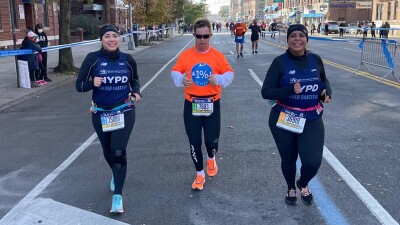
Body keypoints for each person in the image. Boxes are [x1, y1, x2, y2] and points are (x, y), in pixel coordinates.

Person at [261, 24, 332, 206]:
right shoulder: (280, 62)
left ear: (307, 39)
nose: (297, 39)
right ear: (288, 40)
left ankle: (303, 182)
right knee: (289, 158)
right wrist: (289, 89)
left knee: (312, 162)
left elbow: (323, 81)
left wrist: (326, 93)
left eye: (302, 35)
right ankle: (291, 187)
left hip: (311, 118)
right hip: (285, 117)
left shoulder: (316, 60)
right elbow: (266, 92)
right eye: (293, 35)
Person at [75, 24, 141, 213]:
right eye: (107, 36)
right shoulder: (92, 59)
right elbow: (79, 86)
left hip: (124, 111)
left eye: (114, 36)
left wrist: (136, 92)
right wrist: (91, 83)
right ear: (101, 40)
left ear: (118, 38)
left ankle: (118, 197)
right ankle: (115, 172)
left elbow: (134, 80)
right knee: (108, 151)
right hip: (101, 114)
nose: (111, 39)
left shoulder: (127, 59)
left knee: (119, 152)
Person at [170, 18, 234, 191]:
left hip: (212, 104)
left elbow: (230, 73)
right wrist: (180, 79)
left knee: (212, 142)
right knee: (194, 141)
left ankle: (211, 158)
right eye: (199, 36)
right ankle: (199, 174)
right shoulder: (186, 55)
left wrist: (218, 79)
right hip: (192, 104)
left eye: (206, 36)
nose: (202, 40)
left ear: (211, 35)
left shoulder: (217, 56)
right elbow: (175, 71)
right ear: (194, 35)